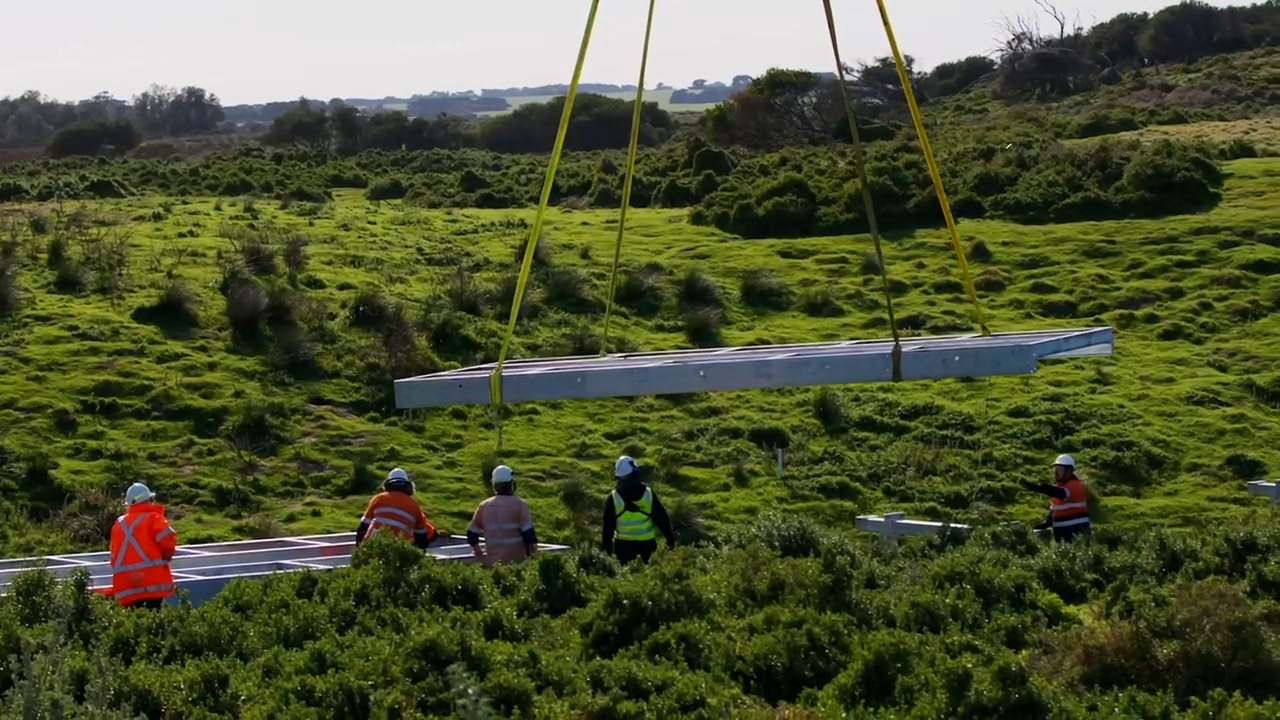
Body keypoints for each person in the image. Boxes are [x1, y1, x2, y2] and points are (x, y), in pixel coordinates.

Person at [110, 483, 177, 609]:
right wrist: (166, 558)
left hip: (126, 587)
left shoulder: (119, 524)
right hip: (152, 584)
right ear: (148, 500)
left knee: (132, 624)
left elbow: (114, 556)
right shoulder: (154, 519)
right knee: (152, 622)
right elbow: (168, 545)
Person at [602, 455, 676, 564]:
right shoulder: (648, 494)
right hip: (647, 546)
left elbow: (607, 528)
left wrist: (607, 552)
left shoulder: (614, 498)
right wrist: (671, 541)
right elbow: (662, 520)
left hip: (623, 547)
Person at [467, 465, 538, 567]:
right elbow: (529, 537)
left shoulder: (484, 506)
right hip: (517, 564)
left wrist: (478, 552)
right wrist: (534, 560)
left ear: (494, 485)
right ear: (511, 484)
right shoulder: (519, 505)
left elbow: (472, 535)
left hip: (494, 565)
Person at [356, 468, 438, 550]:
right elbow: (424, 536)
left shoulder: (378, 499)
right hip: (398, 552)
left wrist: (359, 550)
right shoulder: (414, 506)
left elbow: (363, 527)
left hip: (372, 547)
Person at [1021, 454, 1092, 541]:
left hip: (1077, 534)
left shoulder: (1075, 485)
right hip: (1063, 536)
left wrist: (1039, 487)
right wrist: (1044, 524)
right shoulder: (1059, 488)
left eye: (1059, 469)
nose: (1055, 472)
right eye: (1055, 469)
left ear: (1068, 471)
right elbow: (1054, 511)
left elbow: (1060, 493)